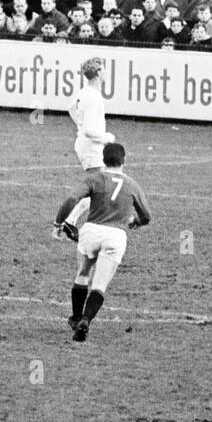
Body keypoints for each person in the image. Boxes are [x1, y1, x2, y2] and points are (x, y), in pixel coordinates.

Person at [53, 141, 152, 341]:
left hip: (91, 231)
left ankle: (76, 315)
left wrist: (58, 223)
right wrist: (136, 221)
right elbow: (147, 216)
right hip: (115, 236)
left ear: (103, 160)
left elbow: (72, 199)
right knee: (99, 285)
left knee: (82, 274)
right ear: (124, 160)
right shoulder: (132, 185)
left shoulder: (95, 179)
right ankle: (86, 321)